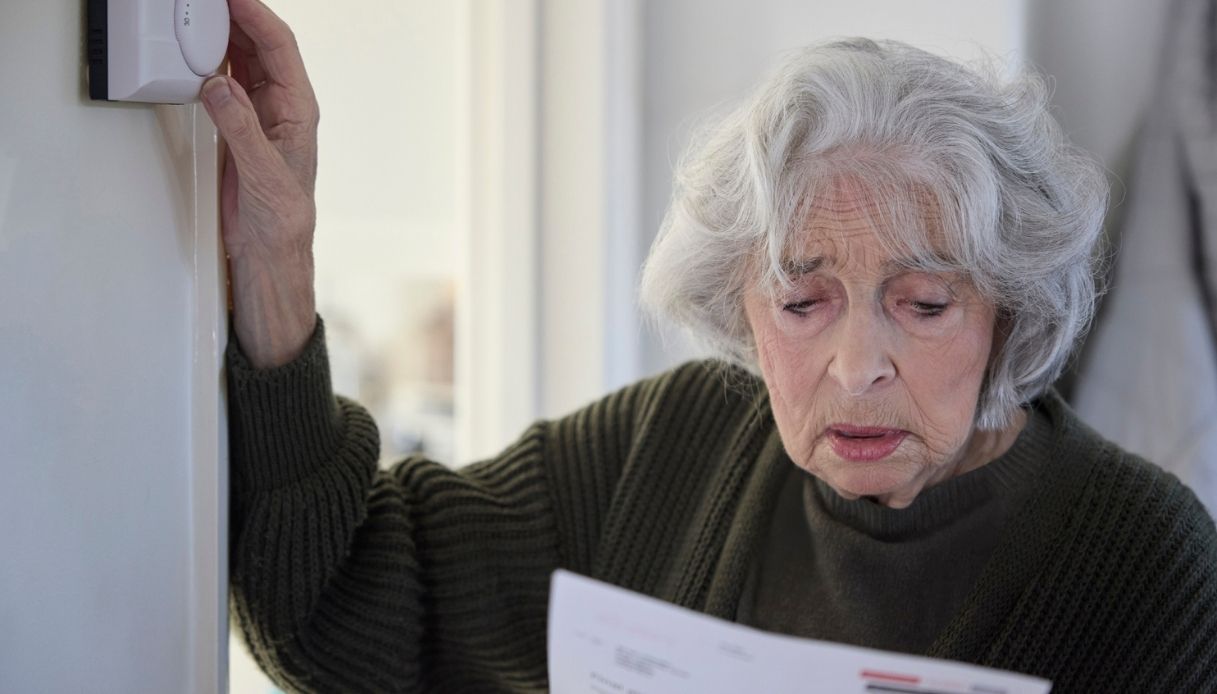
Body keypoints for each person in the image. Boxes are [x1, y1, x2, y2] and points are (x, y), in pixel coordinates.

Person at [204, 0, 1217, 691]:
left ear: (1005, 306)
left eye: (919, 303)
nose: (855, 366)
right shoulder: (671, 447)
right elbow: (334, 609)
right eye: (800, 301)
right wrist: (277, 262)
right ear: (737, 307)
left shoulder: (1141, 561)